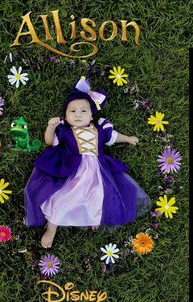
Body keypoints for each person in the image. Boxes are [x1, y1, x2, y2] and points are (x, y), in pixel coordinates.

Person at [24, 76, 151, 248]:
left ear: (91, 116)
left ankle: (94, 217)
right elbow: (49, 141)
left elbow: (113, 138)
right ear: (66, 116)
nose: (78, 114)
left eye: (83, 111)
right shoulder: (65, 131)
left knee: (98, 195)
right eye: (72, 111)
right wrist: (51, 127)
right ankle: (52, 227)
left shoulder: (100, 128)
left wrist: (127, 138)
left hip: (98, 170)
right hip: (72, 169)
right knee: (62, 197)